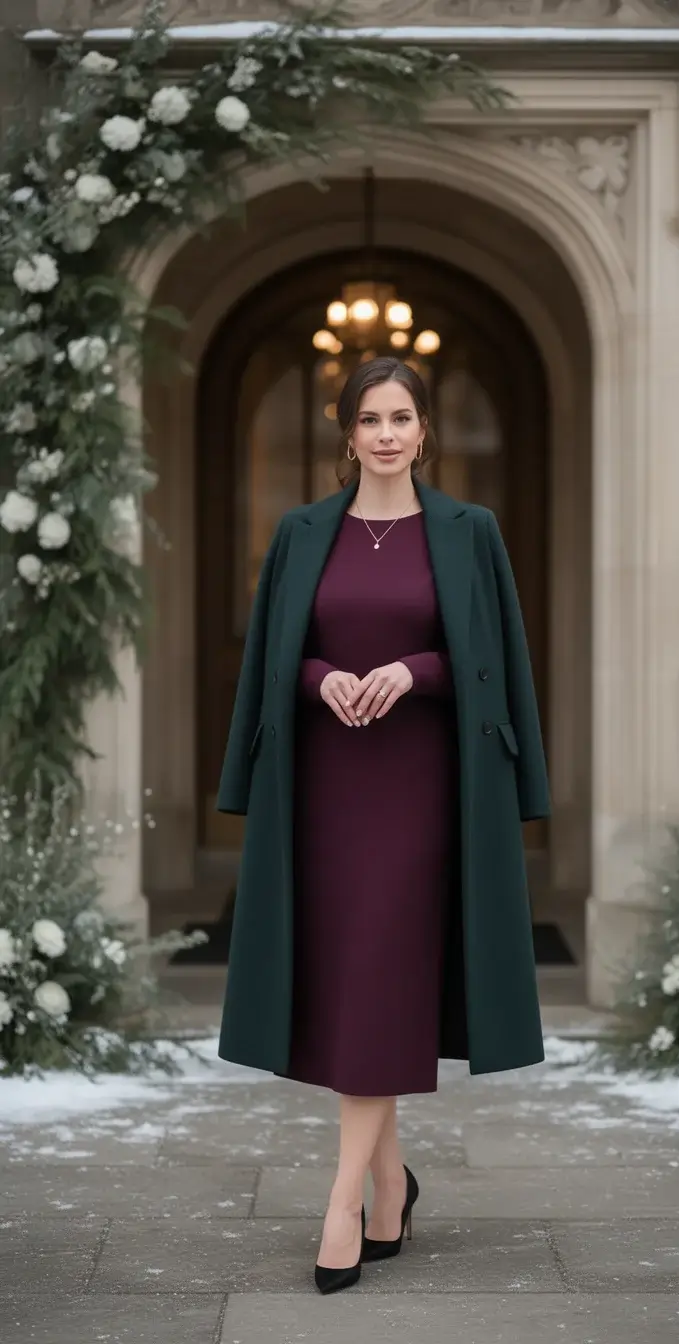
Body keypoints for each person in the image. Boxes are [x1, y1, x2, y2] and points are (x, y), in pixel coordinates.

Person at [216, 355, 550, 1295]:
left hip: (422, 789)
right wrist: (323, 680)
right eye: (371, 419)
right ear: (347, 432)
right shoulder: (302, 533)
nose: (388, 434)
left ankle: (340, 1205)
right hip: (325, 787)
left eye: (403, 417)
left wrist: (415, 672)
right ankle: (394, 1184)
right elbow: (280, 655)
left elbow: (494, 658)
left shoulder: (467, 531)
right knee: (364, 989)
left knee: (375, 978)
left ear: (424, 429)